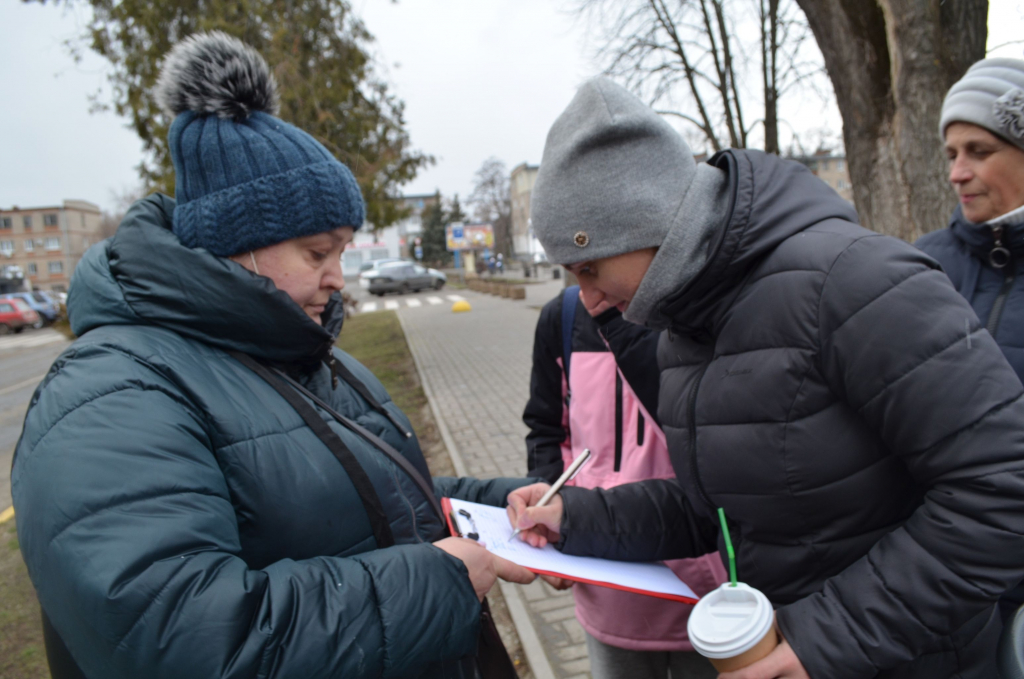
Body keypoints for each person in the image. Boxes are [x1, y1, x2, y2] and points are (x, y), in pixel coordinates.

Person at [11, 32, 535, 679]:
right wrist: (434, 582)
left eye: (344, 250)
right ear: (239, 245)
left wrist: (500, 505)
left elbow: (356, 496)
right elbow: (182, 638)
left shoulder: (298, 355)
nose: (339, 275)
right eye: (320, 252)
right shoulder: (112, 393)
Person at [506, 77, 1024, 679]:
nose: (587, 296)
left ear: (652, 226)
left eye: (589, 267)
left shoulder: (855, 281)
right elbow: (721, 507)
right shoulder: (686, 327)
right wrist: (576, 516)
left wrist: (823, 641)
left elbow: (1003, 490)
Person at [524, 284, 724, 679]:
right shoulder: (561, 317)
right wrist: (550, 534)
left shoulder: (699, 304)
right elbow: (547, 431)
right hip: (605, 575)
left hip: (707, 581)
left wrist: (618, 324)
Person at [914, 58, 1024, 624]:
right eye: (952, 154)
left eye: (979, 151)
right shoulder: (920, 266)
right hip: (937, 589)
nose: (957, 173)